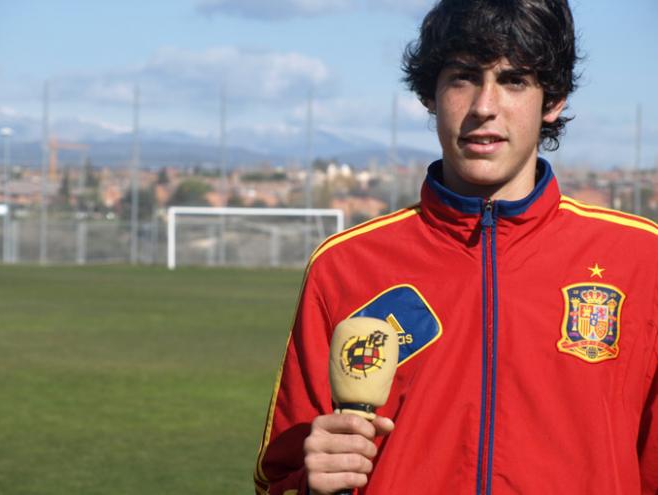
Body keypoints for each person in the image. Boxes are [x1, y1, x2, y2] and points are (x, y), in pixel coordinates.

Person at [254, 0, 658, 493]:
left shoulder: (641, 261)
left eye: (513, 80)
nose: (484, 106)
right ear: (431, 93)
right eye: (463, 77)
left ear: (552, 100)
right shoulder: (345, 266)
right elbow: (279, 478)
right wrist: (309, 481)